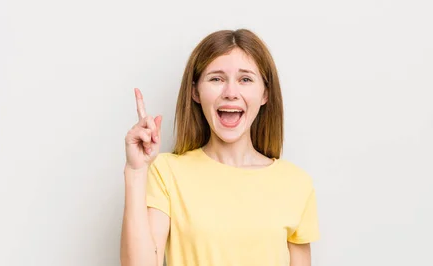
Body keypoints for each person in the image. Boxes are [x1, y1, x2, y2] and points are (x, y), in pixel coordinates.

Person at [120, 29, 320, 266]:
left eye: (245, 79)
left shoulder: (296, 183)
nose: (231, 93)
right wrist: (135, 171)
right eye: (216, 79)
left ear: (265, 93)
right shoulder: (166, 172)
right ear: (195, 91)